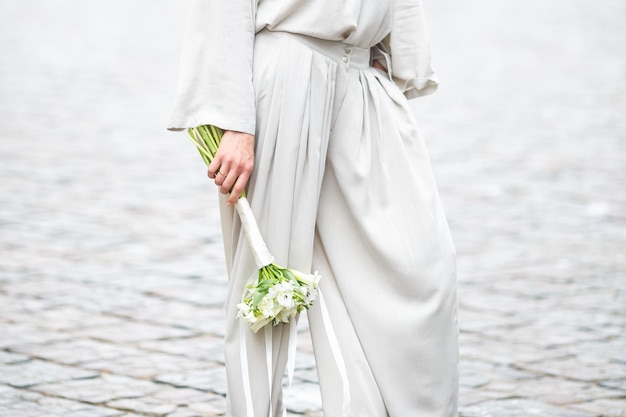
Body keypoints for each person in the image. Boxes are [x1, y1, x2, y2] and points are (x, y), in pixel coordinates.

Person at [168, 1, 458, 416]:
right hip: (286, 71)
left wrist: (399, 59)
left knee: (423, 264)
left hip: (363, 79)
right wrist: (234, 119)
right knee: (266, 289)